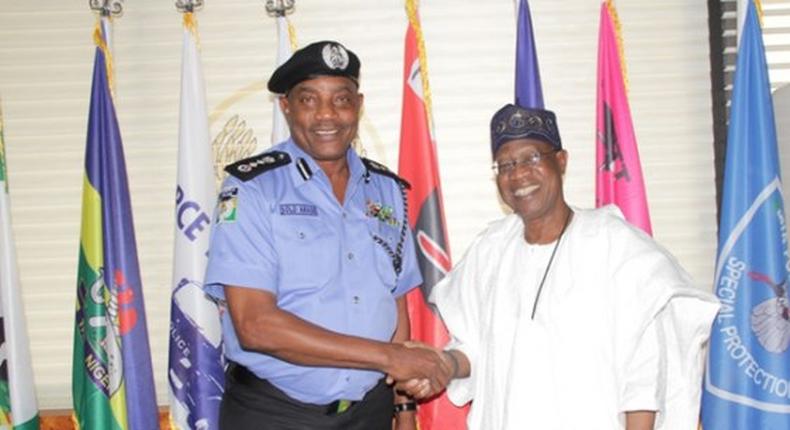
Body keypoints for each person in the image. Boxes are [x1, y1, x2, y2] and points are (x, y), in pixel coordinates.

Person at [399, 104, 720, 430]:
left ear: (561, 160)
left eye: (532, 158)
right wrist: (443, 365)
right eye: (506, 164)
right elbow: (476, 349)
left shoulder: (616, 246)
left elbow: (644, 374)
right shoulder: (490, 251)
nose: (518, 174)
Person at [203, 40, 451, 430]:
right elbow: (255, 325)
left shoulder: (388, 190)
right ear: (286, 106)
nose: (327, 116)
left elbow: (395, 305)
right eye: (308, 100)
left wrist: (403, 409)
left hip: (369, 412)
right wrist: (388, 358)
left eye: (341, 99)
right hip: (275, 413)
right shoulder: (252, 189)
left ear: (359, 104)